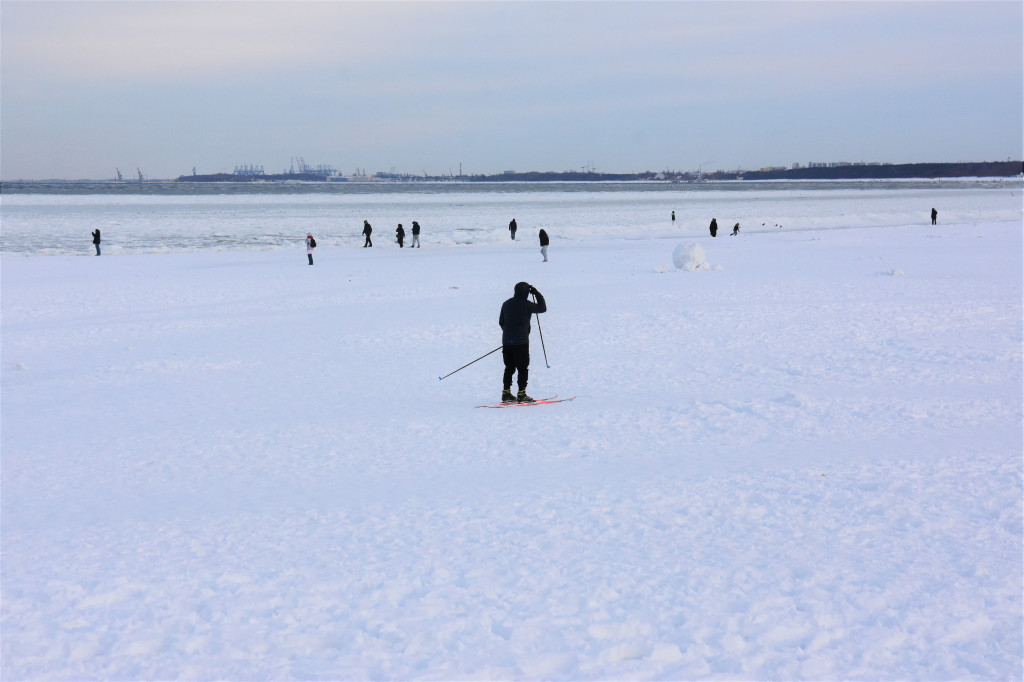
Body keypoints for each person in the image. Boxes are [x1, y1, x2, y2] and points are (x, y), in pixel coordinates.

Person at [499, 282, 546, 403]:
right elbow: (543, 308)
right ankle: (522, 394)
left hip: (507, 342)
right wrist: (536, 293)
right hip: (521, 343)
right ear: (526, 292)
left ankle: (506, 393)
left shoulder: (506, 303)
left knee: (509, 367)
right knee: (522, 368)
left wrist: (510, 334)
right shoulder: (527, 305)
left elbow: (501, 322)